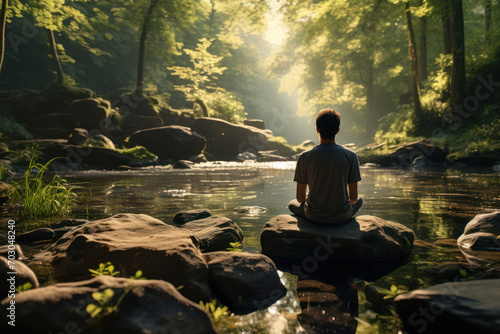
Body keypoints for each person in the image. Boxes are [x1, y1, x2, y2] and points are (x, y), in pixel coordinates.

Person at [288, 109, 363, 225]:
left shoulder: (304, 157)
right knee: (360, 200)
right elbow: (353, 199)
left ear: (317, 130)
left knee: (292, 204)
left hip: (314, 216)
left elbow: (300, 199)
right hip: (342, 217)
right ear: (337, 131)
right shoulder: (351, 156)